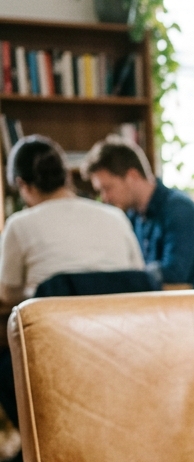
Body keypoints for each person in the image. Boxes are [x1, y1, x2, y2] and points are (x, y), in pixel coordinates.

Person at [0, 135, 145, 430]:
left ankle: (41, 443)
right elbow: (136, 276)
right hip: (123, 351)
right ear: (66, 176)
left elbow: (7, 293)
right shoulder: (115, 216)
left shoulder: (19, 223)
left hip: (58, 355)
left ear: (23, 185)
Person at [84, 137, 194, 289]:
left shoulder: (180, 209)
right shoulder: (133, 216)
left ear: (132, 176)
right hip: (162, 303)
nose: (105, 198)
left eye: (108, 188)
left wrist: (126, 276)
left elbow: (174, 274)